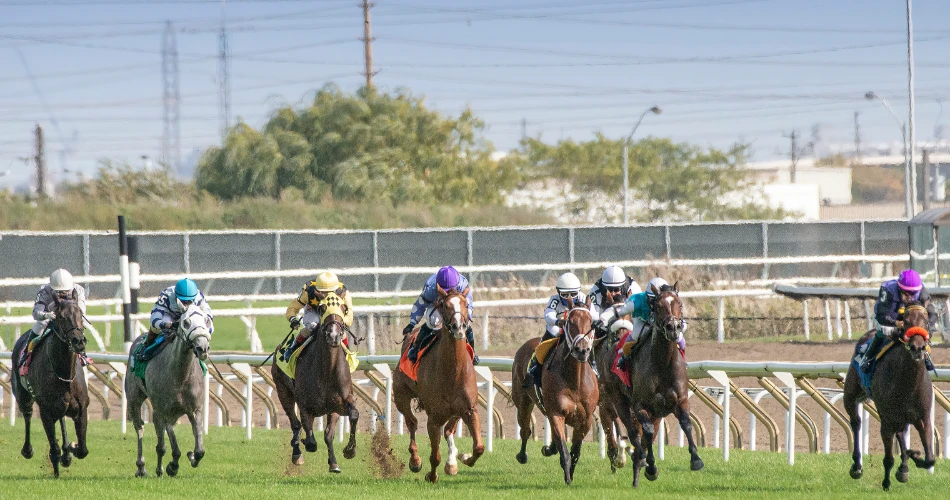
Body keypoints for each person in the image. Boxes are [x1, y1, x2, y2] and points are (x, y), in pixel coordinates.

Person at [597, 277, 687, 366]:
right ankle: (623, 359)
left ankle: (683, 362)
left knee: (680, 338)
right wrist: (603, 319)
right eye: (652, 300)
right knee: (635, 336)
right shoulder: (636, 302)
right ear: (647, 297)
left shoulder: (668, 302)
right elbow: (619, 311)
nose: (653, 304)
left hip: (663, 321)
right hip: (642, 320)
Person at [859, 269, 937, 371]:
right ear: (899, 289)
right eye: (907, 293)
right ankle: (868, 358)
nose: (910, 296)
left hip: (909, 319)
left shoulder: (923, 293)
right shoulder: (888, 290)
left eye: (913, 293)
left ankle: (925, 355)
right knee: (883, 331)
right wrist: (895, 323)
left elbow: (933, 315)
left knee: (925, 332)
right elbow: (882, 316)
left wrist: (926, 330)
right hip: (887, 318)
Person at [525, 272, 596, 385]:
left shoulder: (583, 297)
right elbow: (548, 315)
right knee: (546, 340)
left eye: (573, 294)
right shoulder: (554, 300)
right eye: (565, 295)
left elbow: (594, 314)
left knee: (587, 341)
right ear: (558, 293)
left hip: (576, 331)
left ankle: (593, 364)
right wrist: (557, 322)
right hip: (558, 328)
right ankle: (534, 366)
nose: (570, 298)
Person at [402, 266, 478, 365]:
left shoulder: (463, 285)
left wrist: (467, 318)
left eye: (449, 289)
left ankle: (473, 352)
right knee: (433, 321)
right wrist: (412, 323)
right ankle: (415, 348)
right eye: (444, 290)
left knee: (465, 324)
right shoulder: (431, 288)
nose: (446, 292)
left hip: (456, 307)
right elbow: (420, 305)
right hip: (437, 305)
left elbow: (469, 305)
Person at [19, 269, 87, 376]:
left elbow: (81, 311)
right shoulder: (44, 291)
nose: (62, 294)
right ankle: (26, 354)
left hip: (67, 317)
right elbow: (35, 313)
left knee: (76, 324)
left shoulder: (78, 290)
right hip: (50, 316)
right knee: (41, 324)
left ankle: (82, 353)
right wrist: (46, 315)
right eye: (58, 291)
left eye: (65, 291)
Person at [281, 271, 354, 361]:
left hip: (333, 311)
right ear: (317, 289)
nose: (327, 296)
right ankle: (292, 348)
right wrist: (293, 319)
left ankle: (348, 353)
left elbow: (349, 311)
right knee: (312, 326)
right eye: (323, 292)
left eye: (331, 292)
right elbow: (293, 307)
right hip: (314, 310)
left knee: (338, 329)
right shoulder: (308, 290)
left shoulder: (343, 292)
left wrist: (345, 321)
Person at [141, 278, 213, 360]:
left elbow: (209, 321)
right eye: (183, 301)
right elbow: (154, 319)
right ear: (175, 295)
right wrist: (164, 324)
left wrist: (203, 334)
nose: (186, 304)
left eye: (189, 301)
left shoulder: (199, 298)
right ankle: (147, 345)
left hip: (190, 319)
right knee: (157, 327)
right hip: (170, 317)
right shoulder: (166, 296)